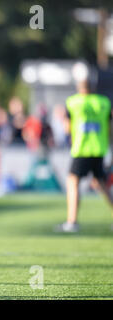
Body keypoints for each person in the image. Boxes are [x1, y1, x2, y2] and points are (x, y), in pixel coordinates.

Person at [56, 79, 113, 233]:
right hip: (99, 148)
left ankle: (72, 221)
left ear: (79, 87)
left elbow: (67, 128)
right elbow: (109, 127)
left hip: (82, 148)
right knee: (100, 183)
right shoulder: (104, 102)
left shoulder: (73, 102)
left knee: (72, 182)